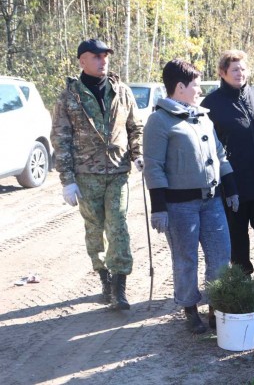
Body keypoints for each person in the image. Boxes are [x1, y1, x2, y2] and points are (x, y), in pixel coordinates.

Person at [143, 59, 237, 334]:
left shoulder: (202, 116)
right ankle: (189, 308)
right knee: (186, 259)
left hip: (212, 201)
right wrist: (158, 207)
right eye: (195, 85)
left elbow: (220, 154)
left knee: (220, 256)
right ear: (180, 87)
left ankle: (216, 307)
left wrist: (230, 188)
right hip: (179, 206)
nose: (199, 90)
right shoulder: (158, 121)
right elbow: (154, 167)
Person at [51, 38, 143, 310]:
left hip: (117, 171)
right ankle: (103, 276)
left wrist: (137, 154)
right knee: (95, 229)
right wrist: (67, 180)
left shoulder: (121, 91)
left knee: (118, 224)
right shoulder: (69, 97)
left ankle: (119, 287)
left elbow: (135, 126)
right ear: (82, 61)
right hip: (86, 174)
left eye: (106, 56)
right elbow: (61, 139)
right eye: (96, 56)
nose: (103, 61)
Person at [201, 50, 254, 290]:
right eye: (234, 69)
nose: (240, 73)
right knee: (237, 232)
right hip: (233, 181)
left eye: (243, 69)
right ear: (222, 72)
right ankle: (242, 277)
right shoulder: (211, 104)